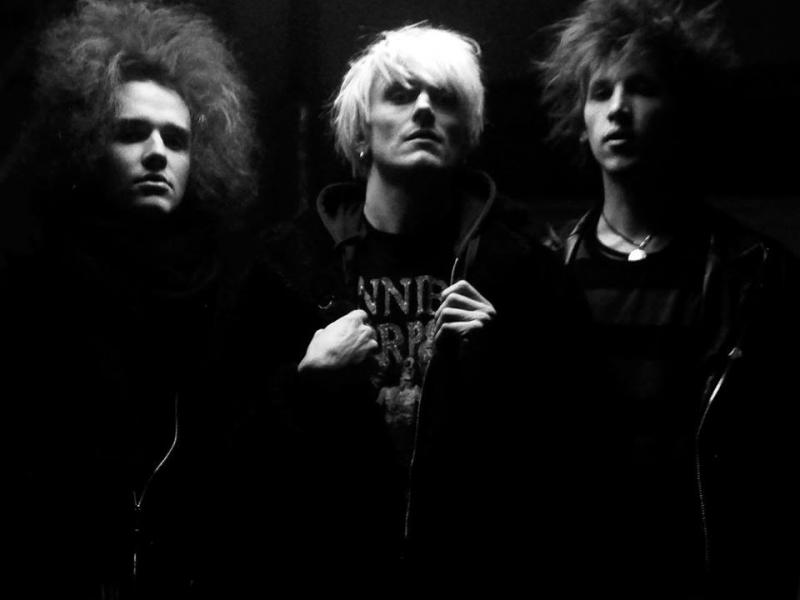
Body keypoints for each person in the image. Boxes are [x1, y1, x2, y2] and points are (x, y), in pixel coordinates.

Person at [249, 22, 604, 593]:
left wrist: (500, 362)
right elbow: (231, 449)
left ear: (468, 133)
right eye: (400, 94)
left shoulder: (525, 270)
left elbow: (576, 453)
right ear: (362, 130)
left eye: (444, 99)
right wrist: (304, 381)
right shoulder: (288, 264)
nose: (422, 110)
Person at [538, 0, 800, 597]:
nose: (618, 109)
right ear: (580, 119)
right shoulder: (544, 271)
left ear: (683, 111)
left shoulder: (756, 275)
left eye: (642, 87)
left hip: (707, 574)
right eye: (600, 92)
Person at [1, 0, 260, 597]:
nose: (157, 152)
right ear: (86, 142)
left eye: (177, 139)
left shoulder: (228, 293)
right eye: (130, 132)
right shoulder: (31, 283)